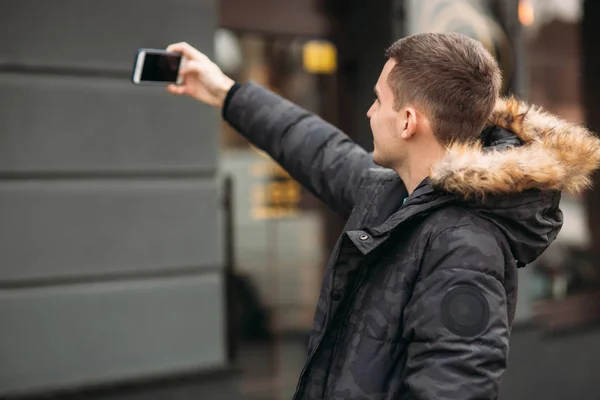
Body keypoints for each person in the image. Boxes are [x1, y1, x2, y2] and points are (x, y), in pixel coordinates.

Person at [165, 33, 600, 399]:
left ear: (408, 121)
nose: (371, 112)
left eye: (378, 100)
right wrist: (224, 90)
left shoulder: (466, 247)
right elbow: (319, 151)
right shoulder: (394, 194)